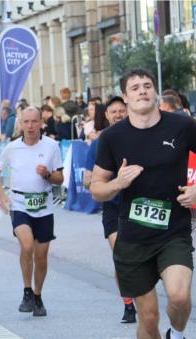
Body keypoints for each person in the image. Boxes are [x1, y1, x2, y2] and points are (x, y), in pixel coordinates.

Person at [89, 69, 196, 339]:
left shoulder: (180, 125)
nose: (142, 91)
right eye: (135, 88)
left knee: (179, 296)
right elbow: (97, 189)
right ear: (126, 97)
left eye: (147, 86)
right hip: (133, 238)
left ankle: (177, 337)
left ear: (154, 91)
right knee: (147, 318)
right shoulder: (112, 138)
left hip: (172, 230)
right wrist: (117, 183)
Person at [0, 107, 64, 318]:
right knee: (26, 244)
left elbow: (60, 178)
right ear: (20, 124)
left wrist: (48, 174)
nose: (30, 126)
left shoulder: (52, 146)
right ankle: (26, 290)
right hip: (20, 203)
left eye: (34, 121)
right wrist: (2, 197)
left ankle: (38, 296)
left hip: (44, 206)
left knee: (41, 257)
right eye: (26, 122)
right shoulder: (12, 148)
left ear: (42, 122)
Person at [81, 97, 135, 323]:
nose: (118, 114)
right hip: (113, 206)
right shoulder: (99, 143)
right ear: (107, 116)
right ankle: (129, 305)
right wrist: (102, 180)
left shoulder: (140, 137)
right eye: (113, 111)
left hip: (138, 205)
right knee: (121, 255)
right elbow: (86, 180)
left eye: (121, 110)